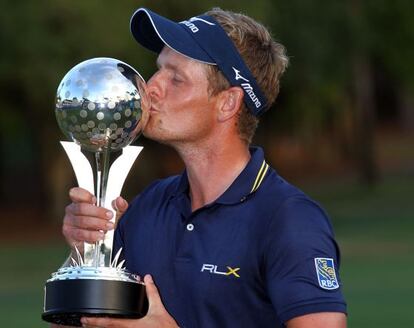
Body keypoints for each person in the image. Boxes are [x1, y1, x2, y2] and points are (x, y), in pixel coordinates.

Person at [61, 7, 347, 328]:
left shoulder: (288, 219)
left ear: (228, 103)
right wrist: (84, 255)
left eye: (176, 78)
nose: (150, 87)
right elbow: (81, 322)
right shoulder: (148, 205)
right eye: (158, 70)